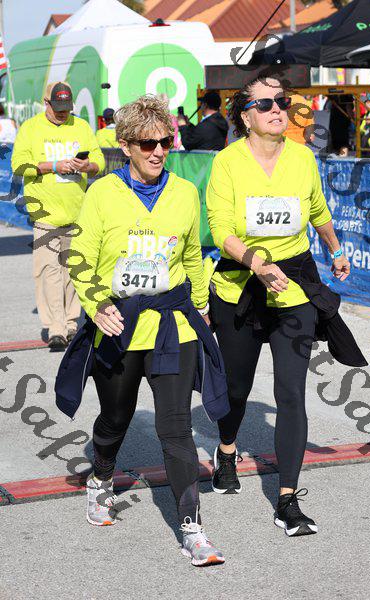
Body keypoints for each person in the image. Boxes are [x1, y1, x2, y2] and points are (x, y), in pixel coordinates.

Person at [55, 95, 228, 566]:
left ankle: (193, 529)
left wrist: (200, 306)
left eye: (165, 142)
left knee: (176, 428)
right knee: (116, 417)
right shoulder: (102, 194)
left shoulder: (185, 193)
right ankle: (101, 476)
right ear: (126, 145)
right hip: (120, 323)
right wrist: (97, 304)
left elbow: (192, 255)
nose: (158, 151)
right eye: (148, 143)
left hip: (172, 324)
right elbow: (80, 259)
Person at [206, 75, 367, 537]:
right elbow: (221, 229)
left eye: (281, 101)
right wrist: (257, 263)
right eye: (265, 104)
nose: (277, 109)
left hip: (293, 288)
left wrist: (335, 248)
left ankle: (287, 499)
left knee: (291, 392)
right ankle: (227, 449)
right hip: (240, 286)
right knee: (236, 388)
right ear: (246, 116)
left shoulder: (302, 158)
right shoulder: (227, 162)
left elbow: (317, 210)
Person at [11, 81, 104, 349]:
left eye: (67, 108)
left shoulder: (81, 127)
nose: (63, 113)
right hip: (45, 214)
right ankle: (56, 327)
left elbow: (99, 162)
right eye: (58, 108)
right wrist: (53, 166)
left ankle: (71, 322)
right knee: (48, 270)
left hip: (77, 212)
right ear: (46, 103)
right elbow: (19, 165)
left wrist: (87, 165)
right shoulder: (30, 129)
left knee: (72, 271)